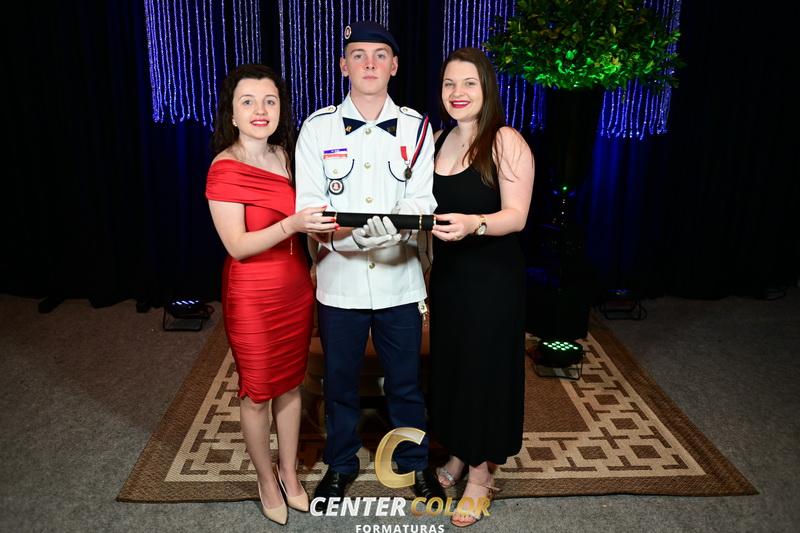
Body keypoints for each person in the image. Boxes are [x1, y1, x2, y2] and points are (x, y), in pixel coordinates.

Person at [294, 21, 445, 503]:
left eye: (380, 55)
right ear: (344, 66)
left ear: (394, 66)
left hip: (400, 280)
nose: (370, 64)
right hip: (340, 281)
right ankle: (340, 464)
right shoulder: (317, 128)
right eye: (358, 55)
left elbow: (422, 199)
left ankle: (413, 463)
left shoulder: (418, 128)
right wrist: (349, 238)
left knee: (405, 382)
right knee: (339, 384)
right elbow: (310, 206)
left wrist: (395, 230)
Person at [205, 64, 337, 525]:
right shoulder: (223, 167)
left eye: (269, 101)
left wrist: (319, 243)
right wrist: (292, 225)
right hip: (251, 295)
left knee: (291, 383)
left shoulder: (286, 155)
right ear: (233, 113)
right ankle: (266, 480)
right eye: (248, 102)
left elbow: (307, 223)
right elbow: (238, 246)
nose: (260, 110)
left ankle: (289, 472)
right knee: (258, 391)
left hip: (294, 288)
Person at [428, 47, 535, 527]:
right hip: (450, 279)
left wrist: (476, 223)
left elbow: (517, 216)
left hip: (492, 280)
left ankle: (480, 476)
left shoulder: (505, 140)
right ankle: (458, 451)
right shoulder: (438, 140)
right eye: (449, 83)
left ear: (486, 88)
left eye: (468, 83)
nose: (458, 92)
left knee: (482, 374)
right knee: (452, 367)